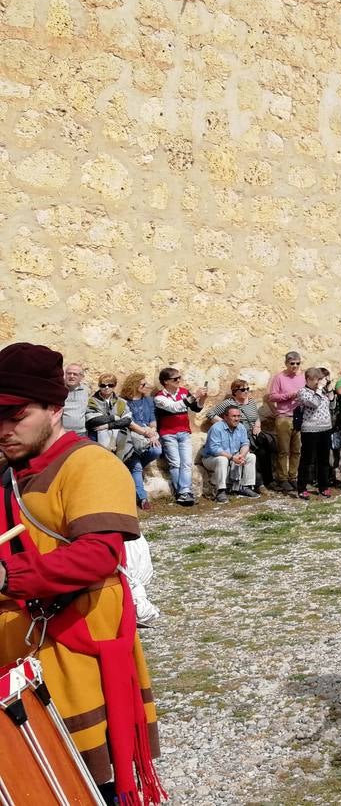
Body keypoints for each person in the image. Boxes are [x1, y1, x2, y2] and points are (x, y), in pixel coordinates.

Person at [0, 342, 165, 805]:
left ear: (55, 407)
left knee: (90, 782)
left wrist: (5, 578)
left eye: (16, 415)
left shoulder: (91, 463)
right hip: (17, 649)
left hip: (78, 645)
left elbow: (96, 555)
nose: (4, 429)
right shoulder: (7, 471)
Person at [154, 366, 207, 505]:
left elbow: (196, 407)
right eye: (175, 379)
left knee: (187, 463)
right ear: (166, 381)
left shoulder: (184, 392)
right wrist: (195, 395)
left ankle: (183, 492)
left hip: (184, 432)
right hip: (168, 434)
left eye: (179, 378)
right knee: (175, 463)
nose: (179, 380)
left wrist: (202, 398)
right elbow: (174, 407)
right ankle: (183, 492)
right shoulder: (159, 397)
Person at [119, 372, 162, 510]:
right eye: (143, 384)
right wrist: (146, 432)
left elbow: (152, 420)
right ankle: (143, 499)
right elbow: (129, 422)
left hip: (148, 434)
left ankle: (131, 471)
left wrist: (153, 432)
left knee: (157, 450)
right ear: (135, 385)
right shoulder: (123, 401)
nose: (146, 386)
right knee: (136, 466)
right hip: (132, 436)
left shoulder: (148, 400)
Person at [200, 404, 258, 502]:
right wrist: (232, 458)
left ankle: (245, 487)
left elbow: (245, 443)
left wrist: (241, 456)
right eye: (234, 416)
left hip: (232, 456)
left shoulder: (241, 427)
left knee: (251, 457)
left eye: (238, 416)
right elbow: (215, 449)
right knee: (222, 460)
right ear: (225, 417)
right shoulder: (216, 428)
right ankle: (221, 491)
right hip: (211, 458)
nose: (237, 419)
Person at [268, 352, 305, 493]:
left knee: (297, 450)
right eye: (292, 363)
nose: (294, 366)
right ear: (286, 363)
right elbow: (272, 397)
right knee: (284, 450)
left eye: (297, 363)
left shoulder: (303, 377)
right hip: (284, 417)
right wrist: (290, 395)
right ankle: (282, 479)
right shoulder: (279, 378)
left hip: (299, 417)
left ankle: (293, 477)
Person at [296, 368, 334, 500]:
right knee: (307, 460)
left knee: (324, 460)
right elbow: (314, 403)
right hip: (310, 430)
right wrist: (319, 389)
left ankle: (323, 487)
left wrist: (328, 389)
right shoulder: (302, 392)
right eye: (316, 379)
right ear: (308, 379)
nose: (319, 382)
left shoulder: (322, 391)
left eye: (320, 379)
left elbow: (332, 404)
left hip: (325, 429)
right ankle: (301, 488)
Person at [85, 372, 134, 458]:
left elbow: (127, 420)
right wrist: (114, 417)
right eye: (103, 385)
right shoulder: (92, 401)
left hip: (119, 438)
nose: (106, 387)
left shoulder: (121, 402)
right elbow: (93, 421)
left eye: (110, 385)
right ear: (99, 386)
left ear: (114, 386)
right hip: (97, 437)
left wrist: (108, 426)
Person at [62, 361, 88, 433]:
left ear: (81, 377)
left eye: (75, 374)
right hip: (63, 433)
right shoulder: (60, 390)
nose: (71, 376)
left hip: (81, 432)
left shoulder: (86, 390)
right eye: (69, 373)